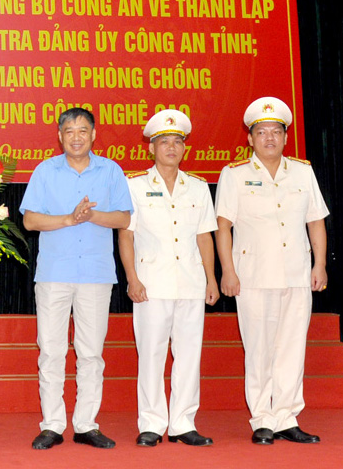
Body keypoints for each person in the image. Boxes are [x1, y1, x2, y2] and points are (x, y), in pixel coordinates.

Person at [215, 97, 328, 445]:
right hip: (253, 275)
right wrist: (228, 271)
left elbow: (315, 221)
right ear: (250, 138)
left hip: (296, 273)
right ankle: (262, 418)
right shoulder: (234, 174)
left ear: (285, 137)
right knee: (259, 349)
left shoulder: (303, 172)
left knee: (292, 349)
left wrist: (320, 264)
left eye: (276, 132)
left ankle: (286, 417)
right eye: (261, 132)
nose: (269, 138)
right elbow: (223, 227)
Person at [20, 107, 133, 450]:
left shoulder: (111, 170)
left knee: (91, 353)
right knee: (51, 351)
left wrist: (92, 215)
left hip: (96, 274)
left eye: (83, 130)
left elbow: (124, 219)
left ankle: (86, 424)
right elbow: (30, 221)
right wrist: (69, 219)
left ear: (94, 134)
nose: (76, 137)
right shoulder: (45, 171)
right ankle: (52, 425)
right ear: (60, 136)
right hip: (54, 273)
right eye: (69, 131)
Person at [118, 110, 218, 448]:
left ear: (185, 148)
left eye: (177, 142)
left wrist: (211, 279)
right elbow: (126, 235)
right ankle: (151, 423)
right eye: (164, 142)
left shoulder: (199, 188)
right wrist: (132, 278)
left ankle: (183, 423)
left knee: (189, 356)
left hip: (191, 282)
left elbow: (205, 235)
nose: (171, 147)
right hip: (151, 283)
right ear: (151, 148)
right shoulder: (134, 185)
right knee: (151, 355)